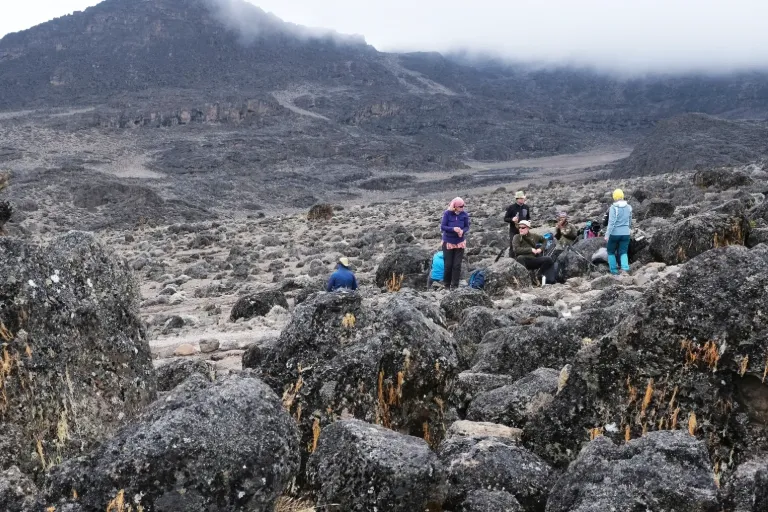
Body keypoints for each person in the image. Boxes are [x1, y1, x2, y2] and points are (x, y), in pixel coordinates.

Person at [512, 220, 556, 285]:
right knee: (520, 257)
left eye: (523, 228)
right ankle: (525, 280)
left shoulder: (534, 236)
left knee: (548, 259)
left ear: (527, 228)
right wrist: (530, 249)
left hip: (533, 259)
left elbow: (544, 240)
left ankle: (539, 276)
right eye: (519, 227)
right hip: (523, 260)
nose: (520, 229)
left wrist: (540, 249)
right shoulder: (517, 237)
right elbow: (516, 249)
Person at [440, 197, 470, 289]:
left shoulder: (464, 215)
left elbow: (467, 226)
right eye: (460, 206)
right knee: (448, 265)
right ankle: (446, 285)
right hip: (448, 242)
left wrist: (462, 231)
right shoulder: (447, 214)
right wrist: (453, 229)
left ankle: (455, 286)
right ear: (455, 207)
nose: (462, 208)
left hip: (459, 242)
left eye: (463, 206)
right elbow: (443, 227)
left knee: (457, 265)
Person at [604, 188, 633, 275]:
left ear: (614, 197)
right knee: (623, 252)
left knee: (610, 251)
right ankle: (625, 269)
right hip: (626, 233)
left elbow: (611, 222)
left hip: (614, 234)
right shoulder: (629, 207)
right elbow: (630, 221)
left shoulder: (613, 208)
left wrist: (607, 235)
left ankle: (614, 271)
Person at [504, 191, 530, 257]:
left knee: (524, 245)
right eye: (521, 198)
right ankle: (511, 261)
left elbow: (528, 217)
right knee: (513, 245)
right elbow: (505, 218)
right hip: (514, 230)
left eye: (523, 198)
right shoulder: (511, 207)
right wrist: (512, 219)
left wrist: (529, 222)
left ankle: (523, 260)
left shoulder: (526, 207)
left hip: (524, 230)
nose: (523, 200)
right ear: (517, 199)